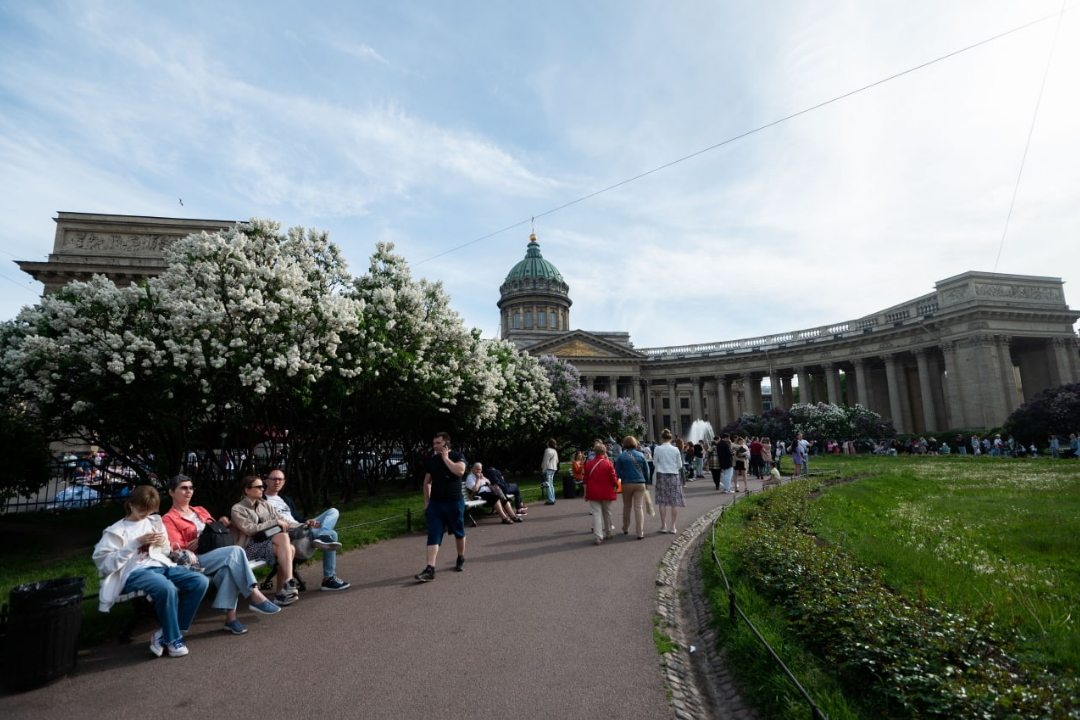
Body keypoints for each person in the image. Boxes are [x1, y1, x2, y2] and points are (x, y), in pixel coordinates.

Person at [93, 485, 210, 658]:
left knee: (200, 581)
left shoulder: (154, 522)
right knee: (166, 589)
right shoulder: (116, 531)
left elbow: (164, 551)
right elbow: (105, 565)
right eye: (141, 510)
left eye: (149, 511)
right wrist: (134, 544)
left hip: (161, 565)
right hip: (135, 572)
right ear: (131, 504)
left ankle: (166, 633)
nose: (145, 515)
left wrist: (162, 542)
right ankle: (173, 639)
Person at [162, 475, 280, 634]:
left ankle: (231, 620)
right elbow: (178, 550)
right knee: (235, 552)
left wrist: (221, 523)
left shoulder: (200, 510)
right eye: (183, 488)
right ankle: (254, 594)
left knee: (229, 569)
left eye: (190, 487)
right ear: (171, 492)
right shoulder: (169, 519)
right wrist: (200, 540)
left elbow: (213, 530)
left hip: (216, 554)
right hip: (195, 561)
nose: (188, 491)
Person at [264, 468, 351, 592]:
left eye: (280, 479)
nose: (277, 482)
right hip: (288, 533)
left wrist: (307, 521)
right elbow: (245, 509)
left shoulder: (285, 499)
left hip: (301, 527)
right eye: (274, 479)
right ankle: (328, 579)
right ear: (267, 481)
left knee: (333, 511)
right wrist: (227, 518)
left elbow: (296, 517)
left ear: (284, 482)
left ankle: (323, 534)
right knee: (333, 534)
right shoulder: (261, 499)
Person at [230, 475, 300, 606]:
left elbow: (284, 521)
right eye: (258, 487)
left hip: (265, 543)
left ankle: (286, 587)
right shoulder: (238, 508)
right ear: (247, 490)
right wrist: (273, 522)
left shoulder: (264, 504)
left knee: (289, 547)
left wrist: (304, 525)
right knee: (286, 544)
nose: (262, 489)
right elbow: (249, 529)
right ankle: (283, 589)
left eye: (262, 486)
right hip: (248, 547)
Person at [415, 432, 468, 582]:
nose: (435, 446)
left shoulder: (457, 456)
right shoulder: (432, 461)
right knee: (434, 534)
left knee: (459, 533)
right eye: (434, 443)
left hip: (454, 503)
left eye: (438, 443)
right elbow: (427, 482)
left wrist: (445, 458)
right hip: (436, 505)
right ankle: (430, 569)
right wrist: (427, 502)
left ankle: (460, 557)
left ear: (446, 443)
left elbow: (460, 471)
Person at [582, 440, 618, 545]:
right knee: (607, 512)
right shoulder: (608, 464)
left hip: (593, 492)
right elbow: (613, 479)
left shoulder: (589, 464)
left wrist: (585, 493)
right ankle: (608, 532)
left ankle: (598, 537)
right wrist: (615, 485)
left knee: (596, 514)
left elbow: (585, 481)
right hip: (607, 492)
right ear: (604, 452)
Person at [614, 436, 650, 539]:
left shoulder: (622, 456)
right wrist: (646, 481)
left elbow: (617, 472)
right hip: (640, 483)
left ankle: (625, 528)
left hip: (627, 483)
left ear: (624, 444)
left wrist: (619, 480)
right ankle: (640, 532)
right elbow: (647, 471)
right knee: (638, 508)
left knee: (627, 506)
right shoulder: (641, 455)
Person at [652, 429, 685, 534]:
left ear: (662, 438)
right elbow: (680, 465)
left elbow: (654, 463)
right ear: (670, 438)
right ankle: (673, 526)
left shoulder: (658, 448)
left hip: (661, 475)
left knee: (662, 502)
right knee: (674, 502)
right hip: (673, 475)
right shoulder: (675, 449)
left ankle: (663, 526)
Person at [541, 438, 559, 505]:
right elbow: (557, 461)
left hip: (548, 468)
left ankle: (551, 500)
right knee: (551, 485)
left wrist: (543, 470)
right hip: (553, 468)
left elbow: (546, 461)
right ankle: (553, 498)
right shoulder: (554, 451)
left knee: (548, 485)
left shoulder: (547, 450)